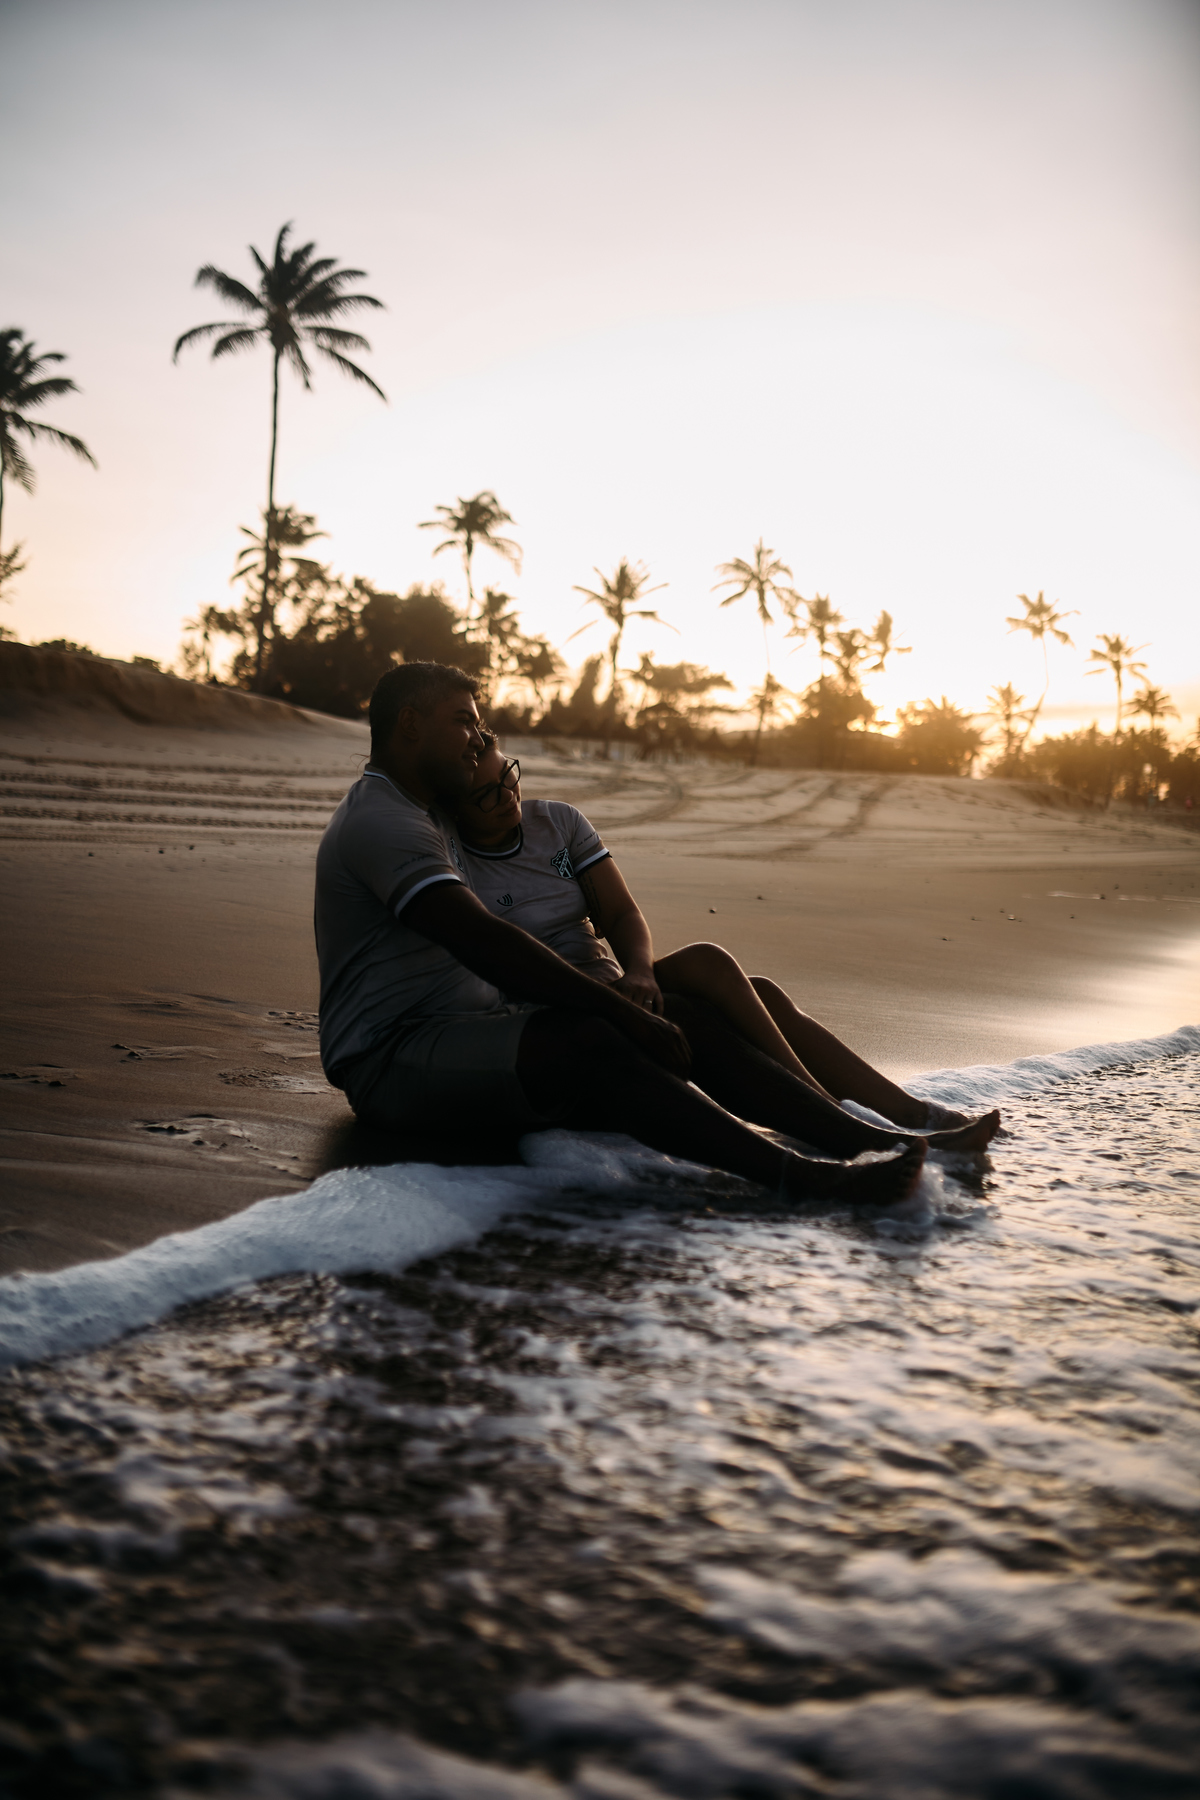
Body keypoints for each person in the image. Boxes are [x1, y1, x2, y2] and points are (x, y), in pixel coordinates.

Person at [315, 661, 927, 1207]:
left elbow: (595, 912)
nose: (478, 738)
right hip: (390, 1059)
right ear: (411, 724)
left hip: (467, 1033)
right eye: (463, 722)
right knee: (596, 1038)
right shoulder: (385, 821)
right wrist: (623, 1012)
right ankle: (799, 1177)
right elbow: (485, 942)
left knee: (678, 1013)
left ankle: (856, 1139)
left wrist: (637, 1005)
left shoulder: (430, 813)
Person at [453, 732, 999, 1150]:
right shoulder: (453, 859)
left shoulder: (559, 824)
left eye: (510, 777)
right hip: (559, 1008)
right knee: (724, 981)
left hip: (616, 982)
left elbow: (620, 913)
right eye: (486, 795)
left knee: (747, 984)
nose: (507, 797)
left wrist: (640, 970)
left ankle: (908, 1111)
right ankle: (831, 1109)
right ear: (456, 804)